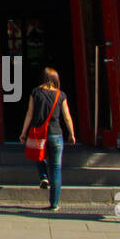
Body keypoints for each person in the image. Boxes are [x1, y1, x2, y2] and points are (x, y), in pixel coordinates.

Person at [18, 67, 76, 211]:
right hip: (56, 133)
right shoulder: (60, 95)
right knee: (56, 168)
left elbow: (29, 114)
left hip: (38, 133)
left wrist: (23, 132)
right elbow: (67, 116)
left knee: (39, 155)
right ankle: (54, 203)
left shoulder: (35, 93)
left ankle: (43, 175)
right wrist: (72, 133)